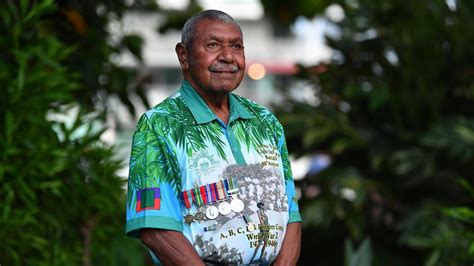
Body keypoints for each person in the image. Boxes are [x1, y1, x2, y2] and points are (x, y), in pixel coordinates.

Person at [125, 9, 302, 265]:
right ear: (183, 55)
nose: (228, 57)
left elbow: (290, 213)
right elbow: (155, 228)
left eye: (236, 46)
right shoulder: (159, 125)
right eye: (213, 45)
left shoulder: (266, 122)